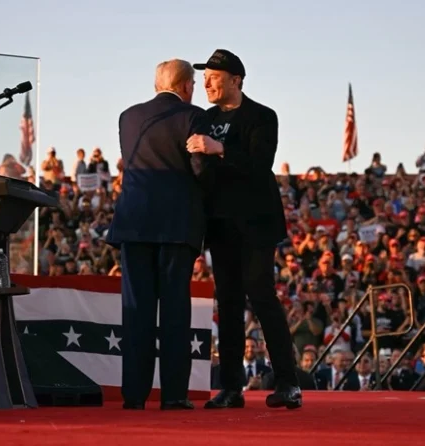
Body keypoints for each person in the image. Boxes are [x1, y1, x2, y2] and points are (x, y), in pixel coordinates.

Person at [187, 49, 301, 409]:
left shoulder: (262, 116)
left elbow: (259, 165)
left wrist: (219, 148)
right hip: (220, 223)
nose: (207, 83)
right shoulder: (204, 118)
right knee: (229, 302)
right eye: (204, 78)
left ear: (235, 80)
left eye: (214, 77)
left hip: (255, 223)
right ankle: (232, 387)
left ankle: (288, 382)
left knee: (261, 294)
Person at [106, 59, 214, 411]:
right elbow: (200, 169)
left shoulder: (128, 117)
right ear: (185, 86)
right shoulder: (194, 117)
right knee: (174, 310)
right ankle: (174, 395)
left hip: (134, 223)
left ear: (157, 85)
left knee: (136, 310)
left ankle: (134, 395)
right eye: (193, 84)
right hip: (175, 226)